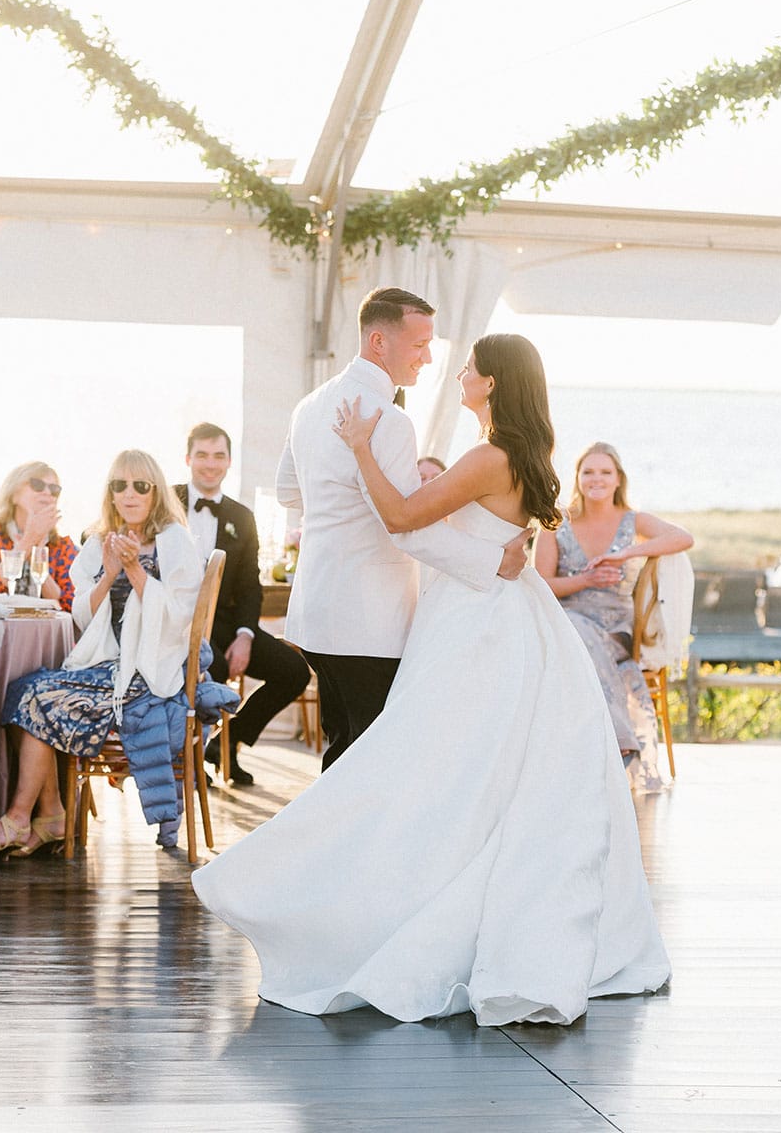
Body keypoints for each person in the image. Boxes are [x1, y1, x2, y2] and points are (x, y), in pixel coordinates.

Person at [193, 334, 671, 1027]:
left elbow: (402, 517)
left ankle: (337, 896)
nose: (462, 375)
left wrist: (359, 448)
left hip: (475, 622)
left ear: (496, 383)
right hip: (500, 612)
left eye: (473, 368)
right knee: (469, 774)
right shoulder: (520, 456)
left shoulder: (489, 456)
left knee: (430, 767)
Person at [273, 286, 530, 770]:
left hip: (315, 610)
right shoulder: (387, 420)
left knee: (345, 746)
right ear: (377, 342)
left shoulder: (310, 405)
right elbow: (406, 527)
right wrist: (495, 560)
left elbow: (290, 492)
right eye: (418, 345)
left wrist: (341, 506)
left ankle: (329, 842)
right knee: (370, 756)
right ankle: (337, 843)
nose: (428, 358)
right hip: (367, 619)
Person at [0, 449, 241, 857]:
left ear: (155, 493)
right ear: (110, 493)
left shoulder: (175, 540)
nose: (129, 494)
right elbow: (82, 613)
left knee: (35, 695)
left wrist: (136, 571)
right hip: (105, 665)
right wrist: (111, 570)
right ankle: (47, 816)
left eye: (140, 486)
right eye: (119, 485)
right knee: (23, 691)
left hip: (152, 672)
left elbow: (180, 619)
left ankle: (23, 818)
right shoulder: (98, 542)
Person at [534, 442, 693, 793]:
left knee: (578, 634)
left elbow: (683, 538)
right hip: (568, 626)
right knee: (573, 628)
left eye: (605, 472)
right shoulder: (556, 521)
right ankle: (623, 740)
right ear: (576, 477)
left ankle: (615, 743)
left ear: (619, 478)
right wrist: (585, 580)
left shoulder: (632, 520)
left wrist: (627, 553)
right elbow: (541, 584)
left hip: (618, 631)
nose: (596, 479)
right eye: (588, 471)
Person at [173, 422, 311, 788]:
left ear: (229, 461)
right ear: (188, 458)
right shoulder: (166, 503)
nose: (210, 464)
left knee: (293, 670)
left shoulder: (241, 517)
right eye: (202, 455)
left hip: (225, 619)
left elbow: (250, 585)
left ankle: (227, 743)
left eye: (219, 455)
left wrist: (246, 634)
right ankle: (191, 755)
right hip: (175, 621)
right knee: (212, 665)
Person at [0, 460, 77, 612]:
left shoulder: (63, 546)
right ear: (14, 494)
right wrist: (28, 542)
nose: (47, 492)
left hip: (43, 631)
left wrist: (37, 554)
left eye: (54, 489)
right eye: (37, 485)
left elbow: (68, 606)